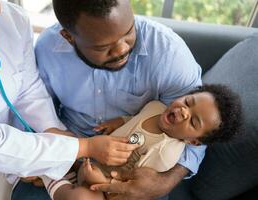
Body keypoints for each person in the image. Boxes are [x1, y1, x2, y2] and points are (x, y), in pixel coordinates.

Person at [0, 1, 137, 200]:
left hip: (13, 146)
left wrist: (54, 132)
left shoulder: (13, 20)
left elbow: (27, 89)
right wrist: (81, 147)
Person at [32, 0, 206, 199]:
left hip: (133, 172)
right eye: (103, 47)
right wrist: (45, 156)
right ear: (69, 37)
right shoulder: (47, 50)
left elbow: (201, 129)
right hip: (68, 154)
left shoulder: (169, 54)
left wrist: (164, 182)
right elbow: (37, 110)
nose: (122, 50)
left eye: (129, 32)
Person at [39, 84, 243, 200]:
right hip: (92, 157)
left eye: (193, 121)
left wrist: (99, 181)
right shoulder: (155, 106)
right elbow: (135, 120)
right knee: (57, 138)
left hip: (105, 189)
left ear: (194, 142)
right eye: (188, 102)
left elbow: (131, 184)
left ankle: (52, 180)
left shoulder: (166, 152)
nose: (183, 111)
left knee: (80, 199)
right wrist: (118, 122)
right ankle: (61, 170)